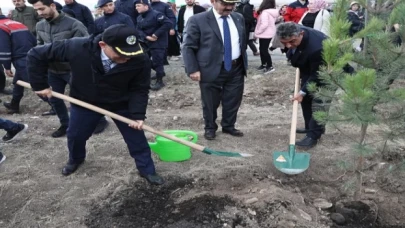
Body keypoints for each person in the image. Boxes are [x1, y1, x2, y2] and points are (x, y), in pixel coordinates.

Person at [27, 25, 164, 185]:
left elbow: (139, 89)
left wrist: (138, 115)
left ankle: (147, 169)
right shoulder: (77, 47)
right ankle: (76, 159)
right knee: (76, 135)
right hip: (85, 100)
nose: (127, 58)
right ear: (103, 45)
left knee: (136, 138)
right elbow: (36, 54)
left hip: (121, 103)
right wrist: (39, 85)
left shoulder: (139, 58)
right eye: (121, 54)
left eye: (130, 53)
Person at [30, 0, 108, 138]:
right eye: (36, 10)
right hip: (53, 71)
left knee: (85, 97)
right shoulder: (40, 25)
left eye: (42, 9)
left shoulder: (74, 24)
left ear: (52, 6)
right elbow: (39, 46)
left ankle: (100, 120)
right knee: (55, 99)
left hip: (72, 70)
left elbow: (86, 49)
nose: (39, 13)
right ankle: (65, 124)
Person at [182, 0, 248, 140]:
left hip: (236, 67)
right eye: (225, 3)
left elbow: (241, 41)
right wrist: (192, 69)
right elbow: (188, 46)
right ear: (213, 1)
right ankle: (210, 127)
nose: (230, 7)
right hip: (209, 68)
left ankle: (229, 126)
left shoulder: (238, 17)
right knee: (210, 101)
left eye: (233, 4)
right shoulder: (197, 20)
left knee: (233, 99)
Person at [276, 22, 328, 148]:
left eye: (292, 42)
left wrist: (302, 92)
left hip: (327, 71)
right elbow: (294, 52)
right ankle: (309, 127)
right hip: (309, 67)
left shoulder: (317, 47)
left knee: (319, 103)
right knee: (306, 100)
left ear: (301, 34)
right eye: (284, 42)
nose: (288, 46)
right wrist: (303, 93)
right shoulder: (294, 33)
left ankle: (313, 136)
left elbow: (317, 74)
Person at [1, 8, 36, 114]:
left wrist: (7, 67)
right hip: (30, 54)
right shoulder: (15, 23)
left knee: (36, 84)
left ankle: (55, 105)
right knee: (18, 83)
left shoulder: (1, 26)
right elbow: (32, 39)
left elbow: (4, 48)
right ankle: (14, 105)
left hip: (20, 58)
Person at [135, 0, 172, 91]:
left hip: (158, 42)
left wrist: (156, 34)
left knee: (157, 61)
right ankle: (160, 72)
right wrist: (146, 37)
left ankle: (160, 81)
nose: (136, 8)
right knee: (145, 60)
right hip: (146, 42)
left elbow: (168, 23)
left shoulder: (157, 14)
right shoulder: (139, 18)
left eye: (139, 6)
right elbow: (138, 30)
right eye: (136, 6)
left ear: (146, 6)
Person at [254, 0, 278, 74]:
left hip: (265, 33)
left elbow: (264, 24)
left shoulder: (265, 13)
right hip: (268, 33)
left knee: (264, 50)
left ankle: (269, 66)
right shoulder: (271, 12)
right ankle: (264, 64)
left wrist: (257, 32)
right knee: (262, 49)